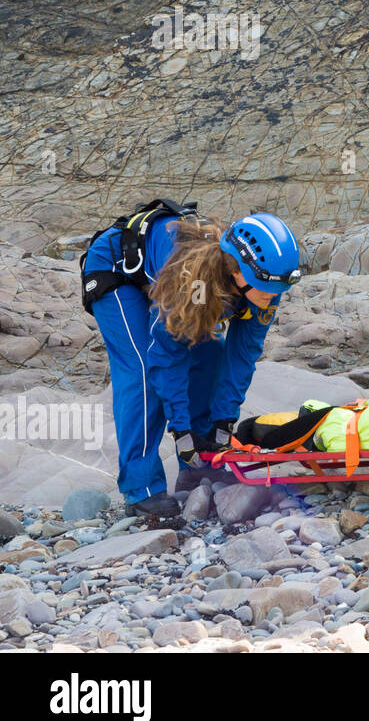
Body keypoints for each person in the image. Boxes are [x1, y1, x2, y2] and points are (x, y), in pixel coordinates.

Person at [81, 203, 301, 517]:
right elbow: (167, 356)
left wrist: (223, 426)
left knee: (211, 352)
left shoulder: (265, 282)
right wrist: (181, 430)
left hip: (166, 277)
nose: (275, 295)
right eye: (268, 288)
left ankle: (199, 465)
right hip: (115, 273)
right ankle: (141, 490)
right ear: (237, 269)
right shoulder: (195, 285)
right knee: (143, 369)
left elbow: (241, 357)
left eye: (280, 287)